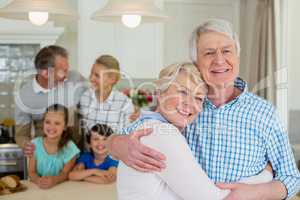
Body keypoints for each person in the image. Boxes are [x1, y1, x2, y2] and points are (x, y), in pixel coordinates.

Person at [106, 19, 300, 199]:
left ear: (237, 56)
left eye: (227, 51)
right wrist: (117, 144)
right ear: (196, 62)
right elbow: (128, 136)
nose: (219, 60)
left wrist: (257, 191)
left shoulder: (265, 113)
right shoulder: (180, 111)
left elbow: (291, 177)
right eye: (209, 53)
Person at [117, 62, 273, 200]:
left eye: (198, 98)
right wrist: (266, 175)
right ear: (160, 93)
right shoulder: (160, 134)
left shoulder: (154, 128)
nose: (190, 104)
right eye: (183, 92)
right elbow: (214, 198)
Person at [15, 45, 87, 151]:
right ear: (45, 73)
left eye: (67, 70)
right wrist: (27, 145)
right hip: (48, 156)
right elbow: (21, 135)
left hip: (78, 154)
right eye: (63, 71)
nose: (68, 75)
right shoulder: (24, 96)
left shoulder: (75, 78)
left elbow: (98, 90)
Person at [79, 55, 134, 135]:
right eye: (91, 73)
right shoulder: (85, 97)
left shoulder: (125, 104)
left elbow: (127, 137)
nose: (91, 78)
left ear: (112, 79)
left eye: (97, 76)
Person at [28, 104, 80, 189]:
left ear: (65, 127)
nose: (51, 127)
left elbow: (65, 174)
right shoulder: (35, 144)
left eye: (57, 123)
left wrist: (54, 180)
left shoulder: (70, 148)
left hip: (62, 190)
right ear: (43, 123)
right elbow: (31, 172)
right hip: (39, 189)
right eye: (48, 122)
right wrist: (38, 180)